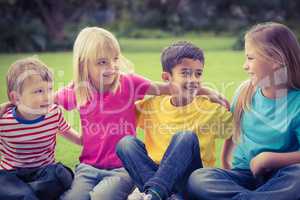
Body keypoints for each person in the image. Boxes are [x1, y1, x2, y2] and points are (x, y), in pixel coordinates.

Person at [188, 22, 300, 200]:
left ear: (276, 61)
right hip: (243, 174)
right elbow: (233, 133)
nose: (245, 66)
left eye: (250, 58)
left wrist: (269, 159)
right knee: (198, 178)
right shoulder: (244, 91)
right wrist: (225, 164)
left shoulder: (297, 103)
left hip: (281, 176)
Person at [116, 41, 233, 200]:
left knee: (185, 137)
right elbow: (119, 107)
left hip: (191, 179)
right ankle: (158, 194)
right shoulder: (152, 105)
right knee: (126, 143)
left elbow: (239, 129)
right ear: (166, 77)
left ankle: (155, 193)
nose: (193, 79)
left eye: (198, 74)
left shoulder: (210, 109)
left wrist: (226, 160)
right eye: (185, 73)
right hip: (156, 173)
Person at [0, 57, 82, 200]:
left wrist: (92, 136)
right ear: (16, 97)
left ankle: (26, 194)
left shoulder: (53, 114)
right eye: (38, 91)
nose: (47, 97)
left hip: (44, 171)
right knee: (5, 183)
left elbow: (77, 138)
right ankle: (27, 193)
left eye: (49, 89)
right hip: (12, 174)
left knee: (61, 174)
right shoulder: (5, 122)